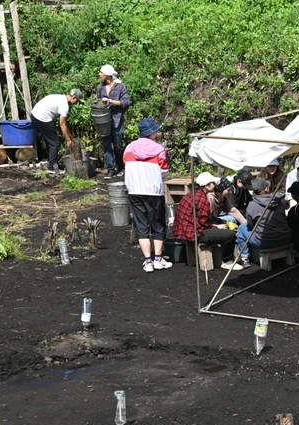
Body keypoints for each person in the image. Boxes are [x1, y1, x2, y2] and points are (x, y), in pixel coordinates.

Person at [123, 117, 170, 272]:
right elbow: (163, 171)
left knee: (141, 224)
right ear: (151, 133)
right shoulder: (159, 149)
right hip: (154, 191)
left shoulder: (129, 148)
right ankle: (158, 258)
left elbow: (126, 165)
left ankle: (147, 261)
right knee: (158, 223)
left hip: (135, 190)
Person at [171, 171, 242, 271]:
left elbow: (202, 219)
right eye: (213, 183)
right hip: (196, 233)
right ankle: (227, 261)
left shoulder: (192, 194)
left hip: (185, 230)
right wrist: (217, 227)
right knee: (229, 235)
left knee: (221, 222)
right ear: (206, 186)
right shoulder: (202, 200)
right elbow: (204, 224)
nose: (215, 185)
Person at [236, 177, 292, 267]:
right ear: (266, 188)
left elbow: (250, 226)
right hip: (285, 238)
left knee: (242, 228)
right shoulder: (280, 200)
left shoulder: (252, 205)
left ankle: (245, 258)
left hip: (264, 242)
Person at [30, 89, 83, 175]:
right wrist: (68, 140)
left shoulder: (59, 97)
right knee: (54, 143)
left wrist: (69, 135)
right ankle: (52, 167)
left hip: (35, 115)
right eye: (77, 101)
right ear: (73, 98)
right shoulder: (64, 105)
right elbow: (62, 124)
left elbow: (65, 123)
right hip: (42, 117)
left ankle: (54, 163)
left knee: (50, 141)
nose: (76, 103)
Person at [95, 64, 130, 178]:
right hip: (104, 120)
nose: (99, 74)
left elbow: (125, 102)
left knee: (118, 145)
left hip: (117, 119)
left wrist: (110, 101)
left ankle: (121, 167)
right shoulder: (100, 88)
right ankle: (110, 169)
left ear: (108, 75)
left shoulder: (120, 86)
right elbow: (98, 103)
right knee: (106, 145)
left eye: (101, 72)